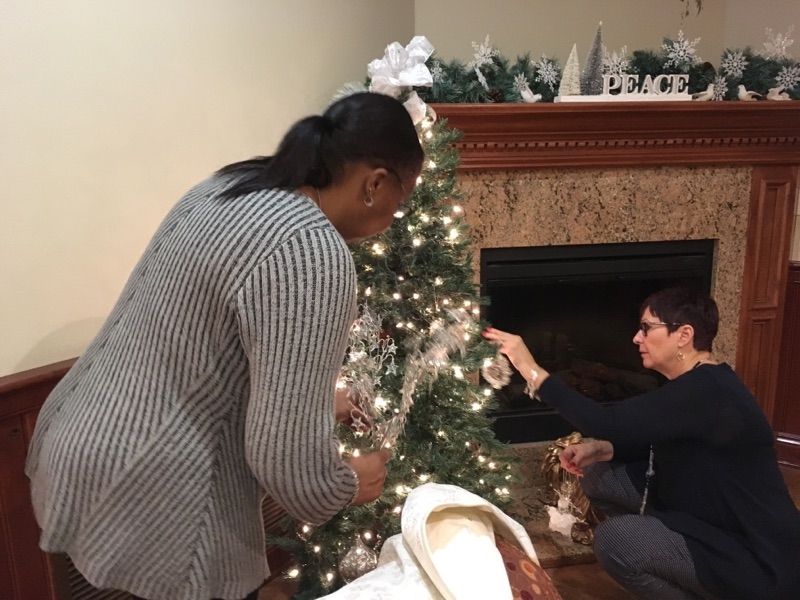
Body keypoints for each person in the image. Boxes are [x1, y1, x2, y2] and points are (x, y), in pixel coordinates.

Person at [25, 91, 424, 600]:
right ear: (375, 183)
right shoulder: (312, 250)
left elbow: (200, 362)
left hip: (80, 450)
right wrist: (349, 482)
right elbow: (291, 468)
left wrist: (319, 403)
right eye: (401, 199)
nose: (395, 217)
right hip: (151, 499)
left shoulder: (231, 186)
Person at [483, 287, 800, 600]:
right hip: (703, 516)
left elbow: (603, 422)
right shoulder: (699, 382)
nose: (637, 337)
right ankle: (666, 556)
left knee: (615, 540)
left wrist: (530, 368)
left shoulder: (707, 390)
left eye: (647, 328)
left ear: (683, 335)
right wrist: (605, 449)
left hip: (753, 554)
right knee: (597, 474)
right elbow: (673, 446)